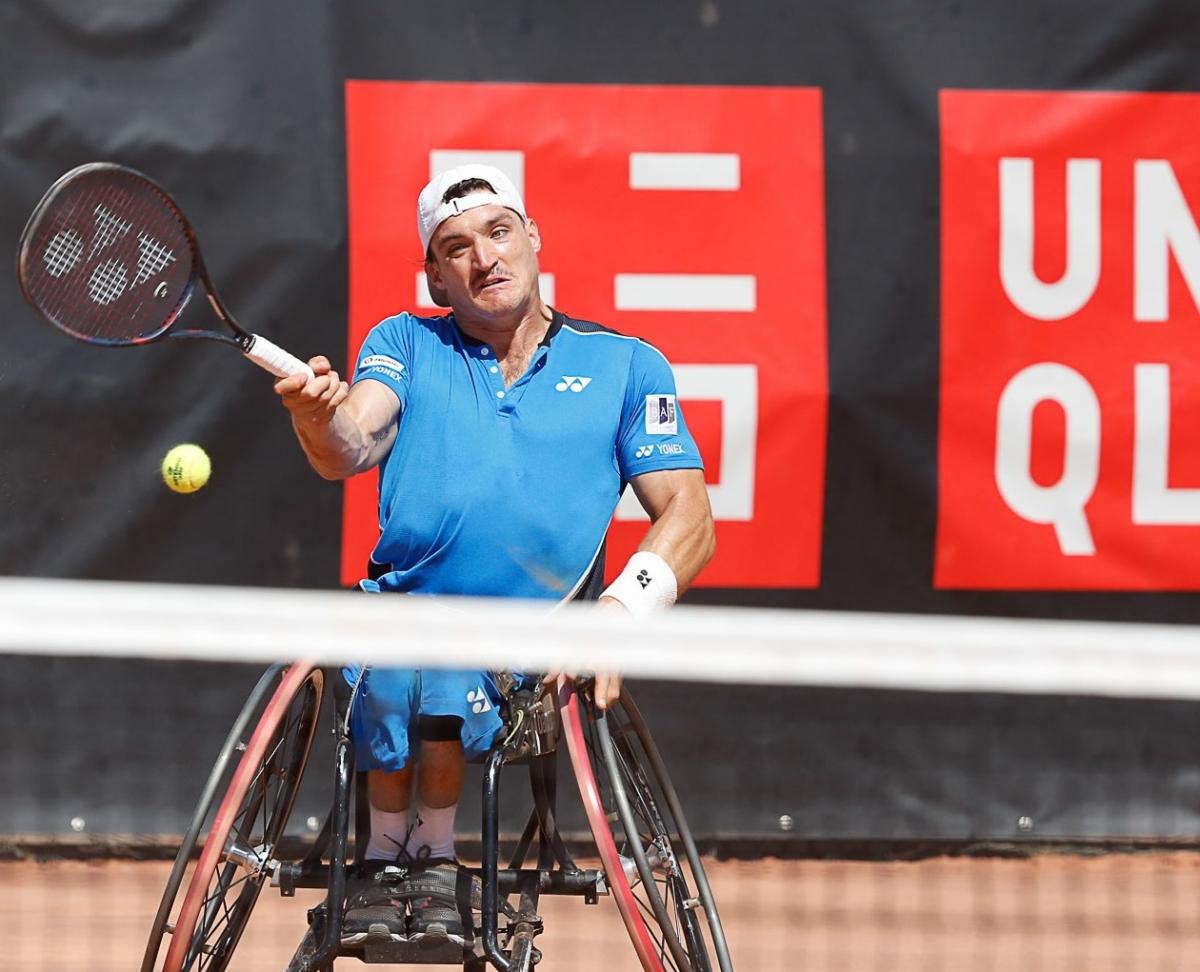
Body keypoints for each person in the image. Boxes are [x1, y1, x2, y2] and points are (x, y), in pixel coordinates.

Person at [273, 162, 715, 946]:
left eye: (498, 231)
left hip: (531, 646)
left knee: (440, 659)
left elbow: (689, 514)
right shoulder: (404, 342)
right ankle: (388, 863)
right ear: (436, 278)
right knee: (399, 650)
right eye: (455, 248)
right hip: (397, 621)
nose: (484, 257)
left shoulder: (626, 365)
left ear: (533, 238)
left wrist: (618, 615)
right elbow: (352, 440)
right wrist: (317, 420)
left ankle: (433, 861)